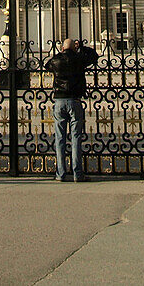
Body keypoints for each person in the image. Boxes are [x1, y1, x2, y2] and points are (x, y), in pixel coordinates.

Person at [44, 37, 98, 182]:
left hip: (60, 101)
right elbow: (94, 56)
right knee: (76, 138)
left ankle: (60, 173)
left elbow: (47, 65)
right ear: (74, 48)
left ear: (62, 49)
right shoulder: (79, 59)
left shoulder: (57, 60)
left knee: (60, 138)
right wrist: (81, 47)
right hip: (75, 100)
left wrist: (61, 52)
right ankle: (77, 174)